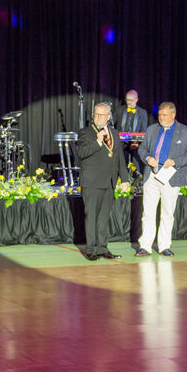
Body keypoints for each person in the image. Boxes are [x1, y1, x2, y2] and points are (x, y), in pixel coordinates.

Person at [135, 102, 187, 257]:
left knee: (167, 213)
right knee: (148, 212)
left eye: (164, 115)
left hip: (171, 177)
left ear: (173, 115)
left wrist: (175, 161)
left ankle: (164, 246)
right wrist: (147, 158)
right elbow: (142, 149)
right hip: (152, 175)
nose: (161, 118)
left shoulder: (186, 131)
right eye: (160, 115)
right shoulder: (151, 129)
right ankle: (145, 246)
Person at [78, 102, 129, 261]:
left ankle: (102, 247)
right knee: (92, 216)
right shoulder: (86, 133)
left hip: (109, 181)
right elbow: (82, 153)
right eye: (95, 114)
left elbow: (119, 156)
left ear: (108, 116)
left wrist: (124, 178)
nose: (98, 118)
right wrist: (98, 142)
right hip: (92, 182)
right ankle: (91, 249)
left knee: (103, 218)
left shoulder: (114, 133)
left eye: (102, 115)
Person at [113, 89, 148, 174]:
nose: (129, 102)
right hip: (121, 143)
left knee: (136, 164)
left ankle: (135, 182)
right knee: (119, 163)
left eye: (131, 100)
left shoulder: (142, 112)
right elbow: (112, 124)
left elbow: (143, 130)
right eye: (127, 100)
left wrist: (136, 142)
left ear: (137, 99)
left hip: (135, 143)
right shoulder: (119, 110)